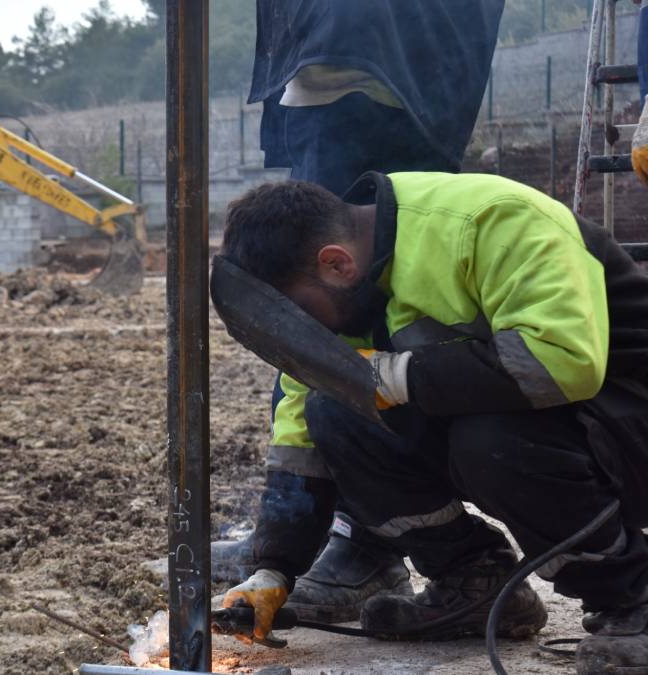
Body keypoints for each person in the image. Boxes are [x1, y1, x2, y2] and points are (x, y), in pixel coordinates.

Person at [216, 171, 648, 675]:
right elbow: (301, 441)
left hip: (627, 415)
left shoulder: (490, 221)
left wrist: (394, 375)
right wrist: (275, 568)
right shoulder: (345, 284)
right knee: (334, 412)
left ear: (336, 263)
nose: (307, 332)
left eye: (303, 314)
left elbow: (563, 362)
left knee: (488, 439)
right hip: (551, 428)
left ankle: (631, 599)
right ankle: (474, 583)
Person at [238, 0, 505, 623]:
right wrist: (276, 558)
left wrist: (393, 379)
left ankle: (365, 540)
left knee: (336, 340)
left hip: (372, 69)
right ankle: (340, 533)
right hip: (341, 70)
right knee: (325, 347)